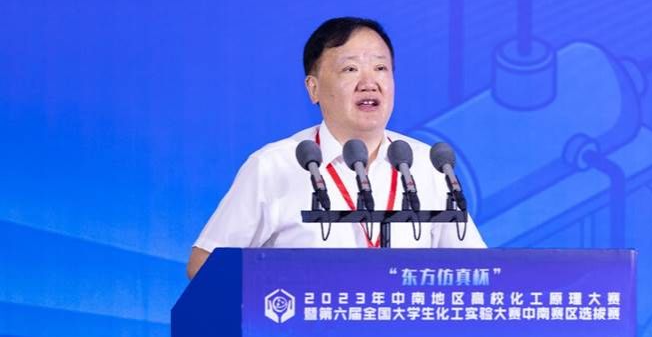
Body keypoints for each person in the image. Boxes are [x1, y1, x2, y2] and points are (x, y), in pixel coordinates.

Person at [186, 17, 485, 279]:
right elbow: (203, 265)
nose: (369, 82)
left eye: (381, 68)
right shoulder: (274, 166)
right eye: (350, 69)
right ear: (313, 88)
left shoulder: (426, 165)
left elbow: (478, 270)